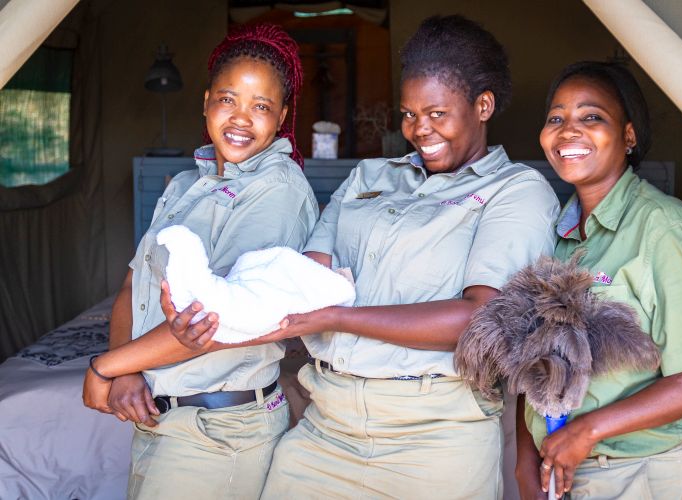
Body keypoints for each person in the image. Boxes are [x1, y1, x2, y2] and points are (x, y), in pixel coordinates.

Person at [169, 14, 560, 499]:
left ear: (483, 105)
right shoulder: (370, 176)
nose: (420, 130)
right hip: (327, 426)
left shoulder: (517, 192)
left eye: (437, 114)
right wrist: (217, 318)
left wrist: (338, 316)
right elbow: (301, 282)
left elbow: (479, 318)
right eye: (409, 114)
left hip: (433, 437)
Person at [81, 23, 318, 499]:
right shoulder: (185, 184)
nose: (241, 118)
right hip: (159, 417)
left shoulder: (278, 189)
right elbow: (133, 285)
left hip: (219, 431)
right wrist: (126, 371)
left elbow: (216, 320)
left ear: (282, 116)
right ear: (206, 100)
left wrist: (105, 366)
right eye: (229, 99)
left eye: (261, 106)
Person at [515, 61, 682, 500]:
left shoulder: (665, 229)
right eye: (556, 118)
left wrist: (587, 430)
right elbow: (537, 361)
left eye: (591, 117)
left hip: (642, 472)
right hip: (566, 469)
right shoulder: (557, 235)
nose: (568, 130)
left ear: (629, 136)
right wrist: (524, 455)